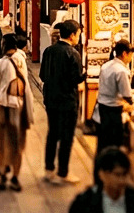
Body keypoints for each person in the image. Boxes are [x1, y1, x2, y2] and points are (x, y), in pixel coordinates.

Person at [39, 19, 84, 184]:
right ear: (72, 35)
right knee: (66, 137)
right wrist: (85, 75)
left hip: (51, 99)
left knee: (52, 134)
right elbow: (76, 79)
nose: (78, 37)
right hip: (67, 101)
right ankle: (63, 173)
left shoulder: (49, 51)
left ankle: (49, 169)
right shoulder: (73, 54)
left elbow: (42, 75)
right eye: (78, 34)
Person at [0, 33, 31, 191]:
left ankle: (3, 176)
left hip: (3, 110)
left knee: (3, 144)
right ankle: (15, 177)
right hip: (20, 107)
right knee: (18, 144)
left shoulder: (0, 64)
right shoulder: (21, 60)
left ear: (4, 45)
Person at [67, 146, 134, 213]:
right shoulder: (85, 202)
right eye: (117, 175)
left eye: (124, 174)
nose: (122, 180)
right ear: (102, 174)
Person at [95, 40, 134, 152]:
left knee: (102, 142)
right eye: (131, 55)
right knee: (114, 143)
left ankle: (100, 162)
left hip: (101, 108)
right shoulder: (121, 70)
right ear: (124, 54)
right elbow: (126, 94)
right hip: (113, 112)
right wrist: (132, 103)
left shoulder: (105, 66)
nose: (131, 58)